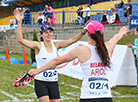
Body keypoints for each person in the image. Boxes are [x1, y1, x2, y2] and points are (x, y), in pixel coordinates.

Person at [28, 20, 129, 102]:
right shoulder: (107, 47)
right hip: (106, 97)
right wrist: (121, 32)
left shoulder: (81, 50)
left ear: (87, 34)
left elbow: (57, 61)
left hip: (88, 97)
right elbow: (115, 38)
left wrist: (37, 71)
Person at [14, 8, 86, 102]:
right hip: (41, 82)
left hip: (53, 82)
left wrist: (83, 32)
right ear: (41, 35)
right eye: (46, 32)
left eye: (50, 32)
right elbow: (20, 40)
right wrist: (19, 22)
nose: (49, 34)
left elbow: (72, 40)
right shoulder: (38, 46)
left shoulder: (56, 45)